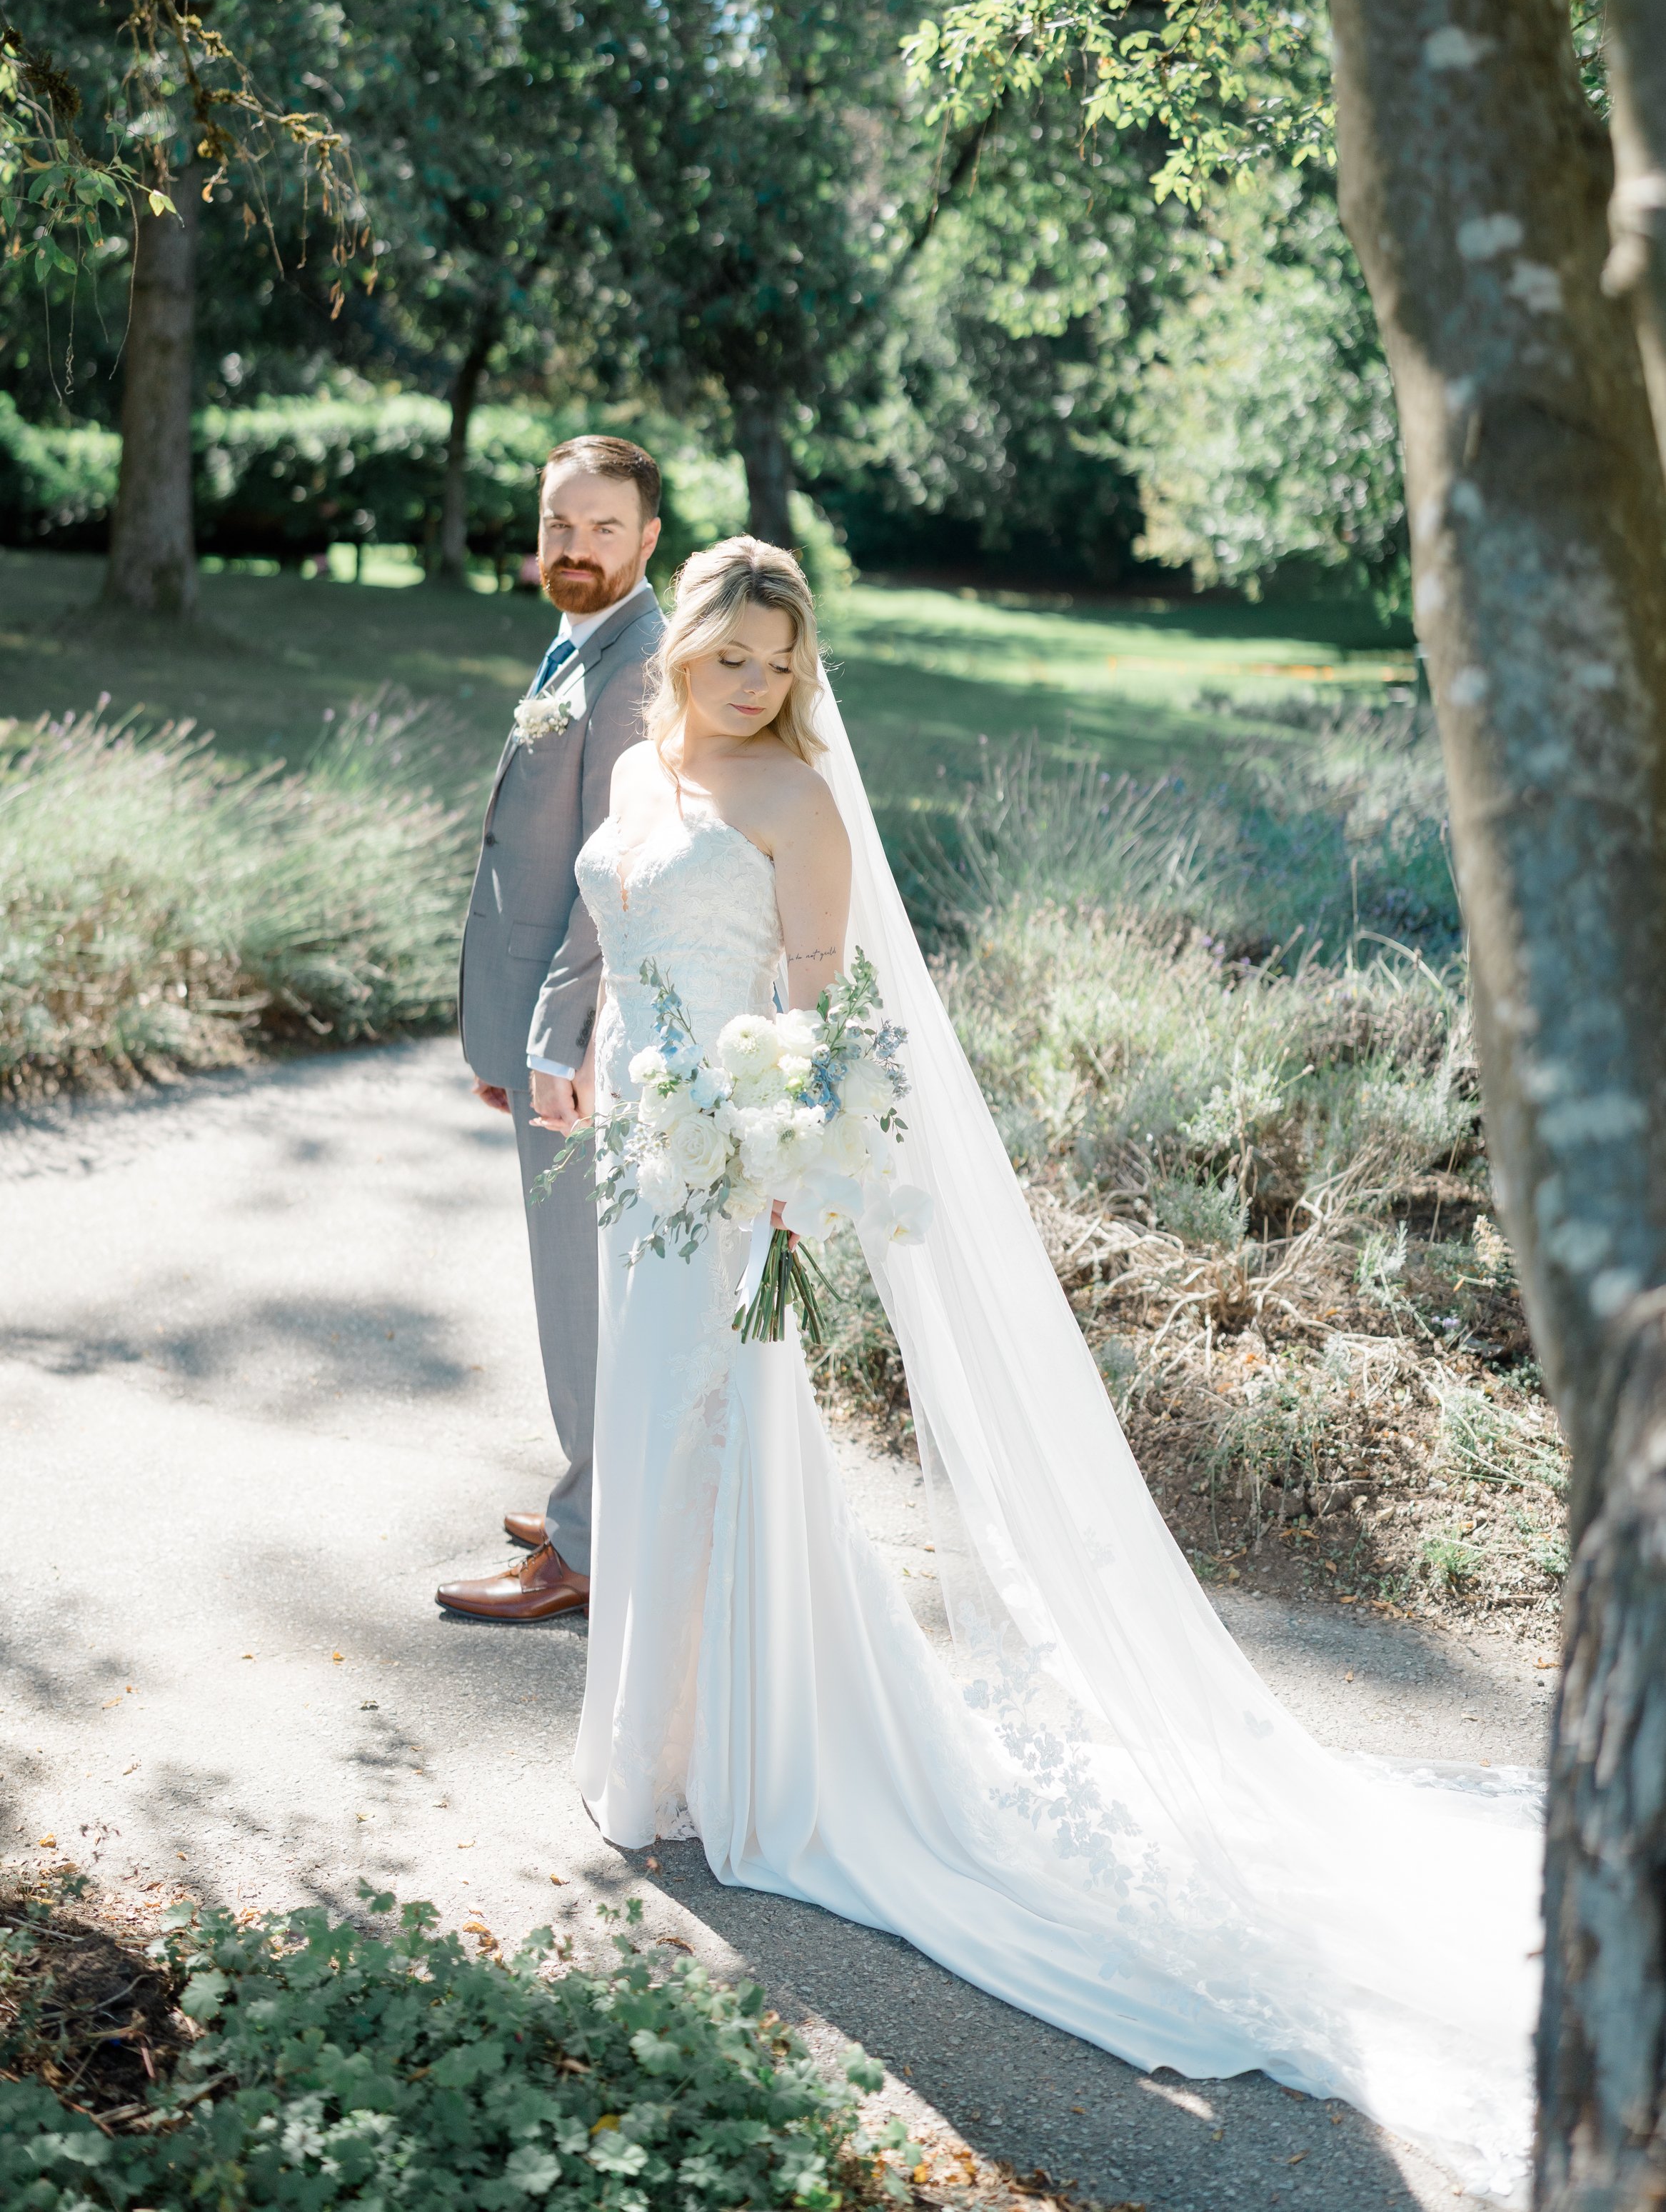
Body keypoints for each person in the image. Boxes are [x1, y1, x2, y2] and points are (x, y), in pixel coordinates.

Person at [543, 534, 1542, 2203]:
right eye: (733, 660)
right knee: (641, 1442)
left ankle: (714, 1759)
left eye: (779, 669)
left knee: (701, 1430)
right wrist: (591, 1065)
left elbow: (817, 1012)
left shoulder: (799, 806)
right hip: (637, 1158)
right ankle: (649, 1739)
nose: (755, 688)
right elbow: (630, 959)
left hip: (723, 1173)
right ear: (687, 650)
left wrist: (771, 1158)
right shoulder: (649, 769)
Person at [437, 436, 666, 1623]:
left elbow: (606, 870)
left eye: (602, 530)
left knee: (576, 1283)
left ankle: (583, 1549)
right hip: (538, 1026)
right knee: (575, 1275)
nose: (574, 549)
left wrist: (550, 1040)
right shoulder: (584, 635)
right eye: (559, 525)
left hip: (576, 1044)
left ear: (647, 541)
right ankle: (598, 1492)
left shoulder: (635, 666)